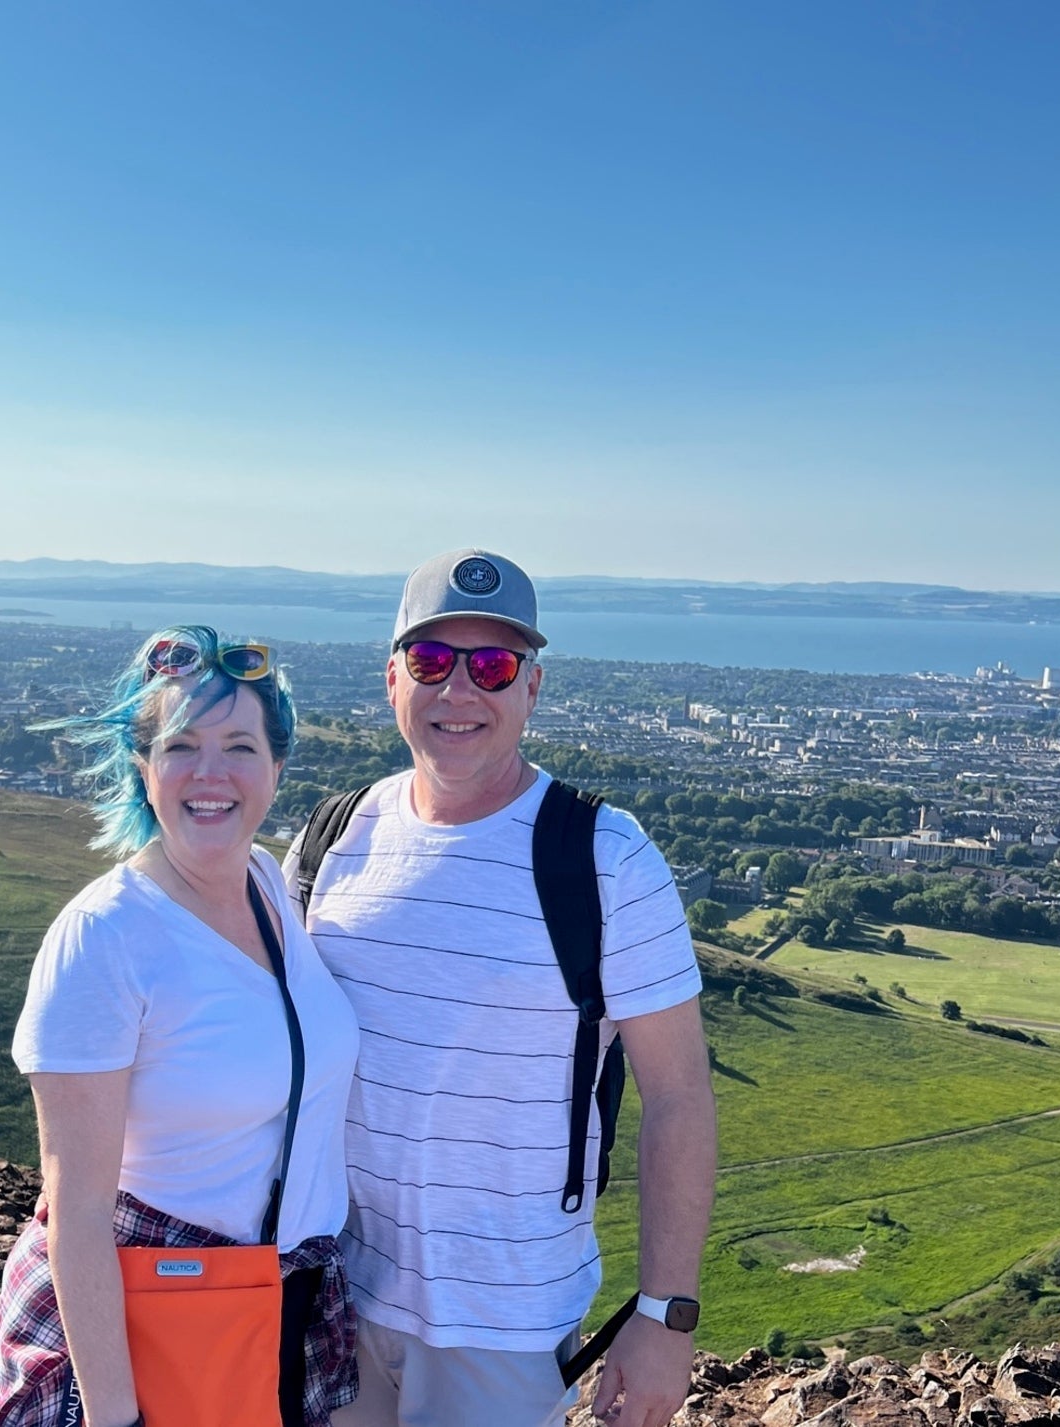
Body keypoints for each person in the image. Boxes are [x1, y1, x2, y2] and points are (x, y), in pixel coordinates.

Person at [285, 550, 717, 1427]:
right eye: (433, 662)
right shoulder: (330, 841)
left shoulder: (604, 857)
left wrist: (666, 1315)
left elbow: (679, 1096)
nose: (459, 692)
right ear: (392, 679)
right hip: (335, 1294)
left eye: (492, 666)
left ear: (533, 687)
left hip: (509, 1324)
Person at [0, 626, 361, 1427]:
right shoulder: (106, 935)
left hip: (273, 1303)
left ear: (277, 764)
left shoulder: (269, 883)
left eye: (239, 745)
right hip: (154, 1318)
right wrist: (114, 1419)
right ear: (143, 764)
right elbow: (77, 1210)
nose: (210, 772)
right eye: (181, 744)